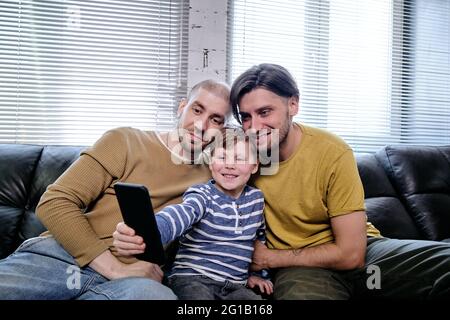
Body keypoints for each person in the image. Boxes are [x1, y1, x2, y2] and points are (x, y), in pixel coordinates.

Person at [227, 63, 450, 299]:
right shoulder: (240, 160)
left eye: (264, 112)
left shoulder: (332, 151)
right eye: (246, 117)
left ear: (293, 104)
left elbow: (352, 254)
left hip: (367, 256)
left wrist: (270, 258)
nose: (254, 127)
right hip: (302, 269)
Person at [0, 79, 231, 300]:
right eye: (197, 110)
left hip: (134, 283)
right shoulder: (126, 141)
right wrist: (115, 268)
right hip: (62, 257)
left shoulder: (216, 175)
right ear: (182, 107)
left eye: (216, 120)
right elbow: (55, 202)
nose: (202, 126)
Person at [113, 128, 273, 300]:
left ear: (255, 165)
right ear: (211, 162)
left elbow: (259, 240)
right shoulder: (202, 194)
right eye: (221, 157)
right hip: (192, 279)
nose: (230, 164)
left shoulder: (256, 200)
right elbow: (182, 213)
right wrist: (152, 230)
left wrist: (259, 275)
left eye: (239, 158)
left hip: (235, 285)